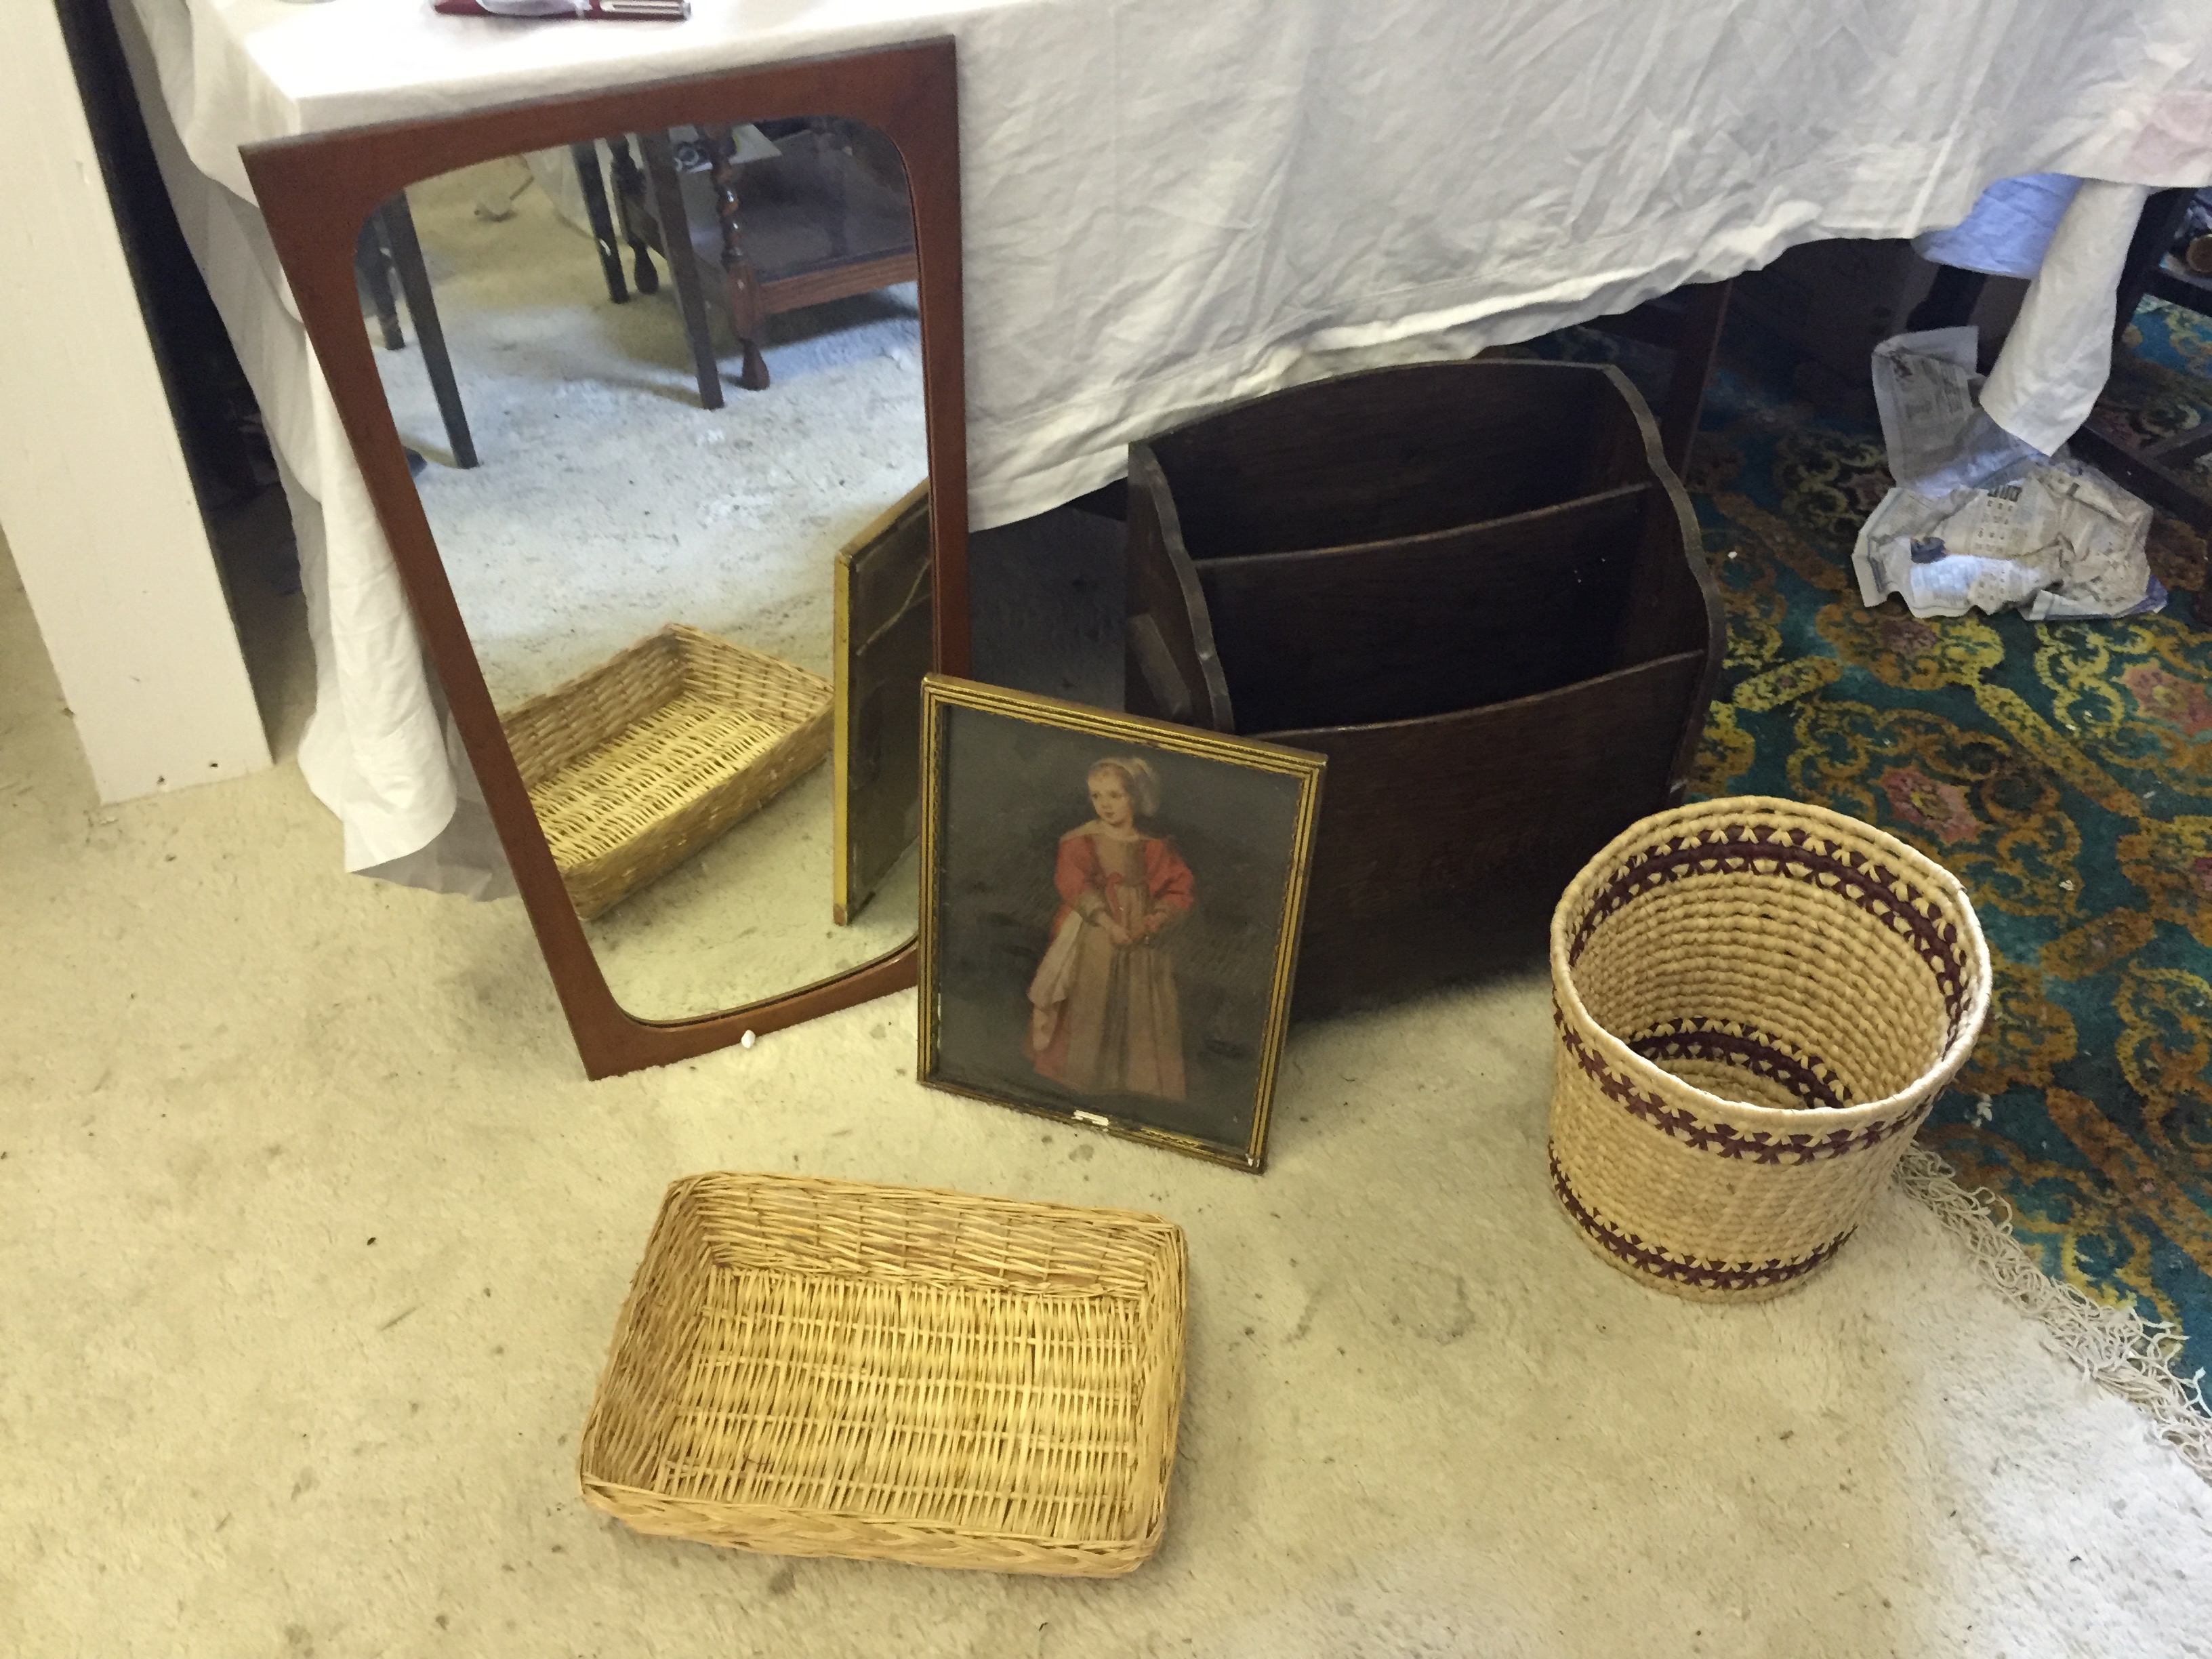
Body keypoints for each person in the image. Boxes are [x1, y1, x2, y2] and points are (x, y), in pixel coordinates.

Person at [1025, 756, 1193, 1100]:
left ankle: (1134, 1087)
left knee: (1140, 1003)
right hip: (1094, 933)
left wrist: (1153, 922)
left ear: (1135, 797)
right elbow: (1073, 883)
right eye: (1097, 796)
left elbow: (1179, 890)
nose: (1105, 805)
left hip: (1143, 940)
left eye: (1115, 795)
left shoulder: (1155, 845)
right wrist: (1106, 923)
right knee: (1091, 999)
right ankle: (1084, 1081)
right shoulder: (1079, 841)